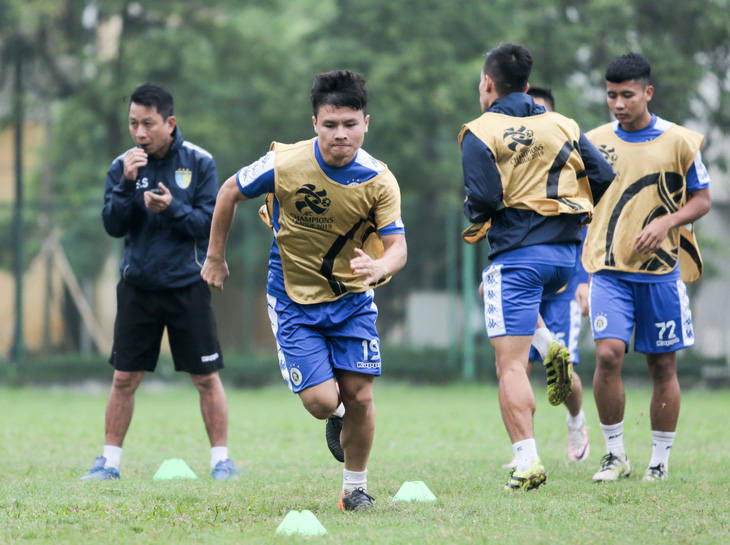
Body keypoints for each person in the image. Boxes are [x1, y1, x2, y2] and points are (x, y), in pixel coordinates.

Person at [201, 70, 407, 511]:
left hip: (352, 300)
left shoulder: (379, 179)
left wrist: (380, 266)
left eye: (350, 124)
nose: (340, 135)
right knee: (322, 401)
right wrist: (215, 256)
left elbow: (398, 247)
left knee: (361, 397)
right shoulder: (285, 163)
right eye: (330, 124)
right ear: (314, 123)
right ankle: (333, 418)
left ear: (366, 123)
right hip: (293, 298)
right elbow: (228, 192)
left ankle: (355, 489)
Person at [460, 43, 614, 491]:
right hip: (565, 259)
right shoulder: (561, 122)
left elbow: (484, 201)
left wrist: (478, 209)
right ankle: (549, 345)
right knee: (526, 340)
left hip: (517, 259)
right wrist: (569, 216)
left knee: (509, 366)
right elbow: (601, 176)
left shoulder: (479, 130)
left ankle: (527, 461)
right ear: (527, 85)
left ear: (488, 83)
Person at [82, 83, 240, 481]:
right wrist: (124, 183)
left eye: (148, 124)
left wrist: (172, 208)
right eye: (133, 123)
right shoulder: (123, 165)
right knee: (124, 377)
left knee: (206, 377)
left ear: (169, 122)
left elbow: (207, 224)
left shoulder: (200, 163)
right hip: (138, 286)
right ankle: (109, 464)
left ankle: (222, 461)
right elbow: (113, 226)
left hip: (187, 284)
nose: (139, 133)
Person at [584, 53, 711, 482]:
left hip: (660, 274)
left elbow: (702, 199)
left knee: (662, 366)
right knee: (607, 355)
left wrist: (668, 221)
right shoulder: (594, 141)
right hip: (608, 270)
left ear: (647, 93)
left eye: (627, 95)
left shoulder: (680, 141)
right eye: (611, 95)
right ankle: (615, 454)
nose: (618, 103)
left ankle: (659, 460)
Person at [525, 87, 590, 464]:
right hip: (523, 282)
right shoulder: (510, 165)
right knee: (515, 365)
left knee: (561, 368)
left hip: (563, 287)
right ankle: (525, 450)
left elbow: (584, 228)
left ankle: (576, 421)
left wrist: (583, 280)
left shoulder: (570, 168)